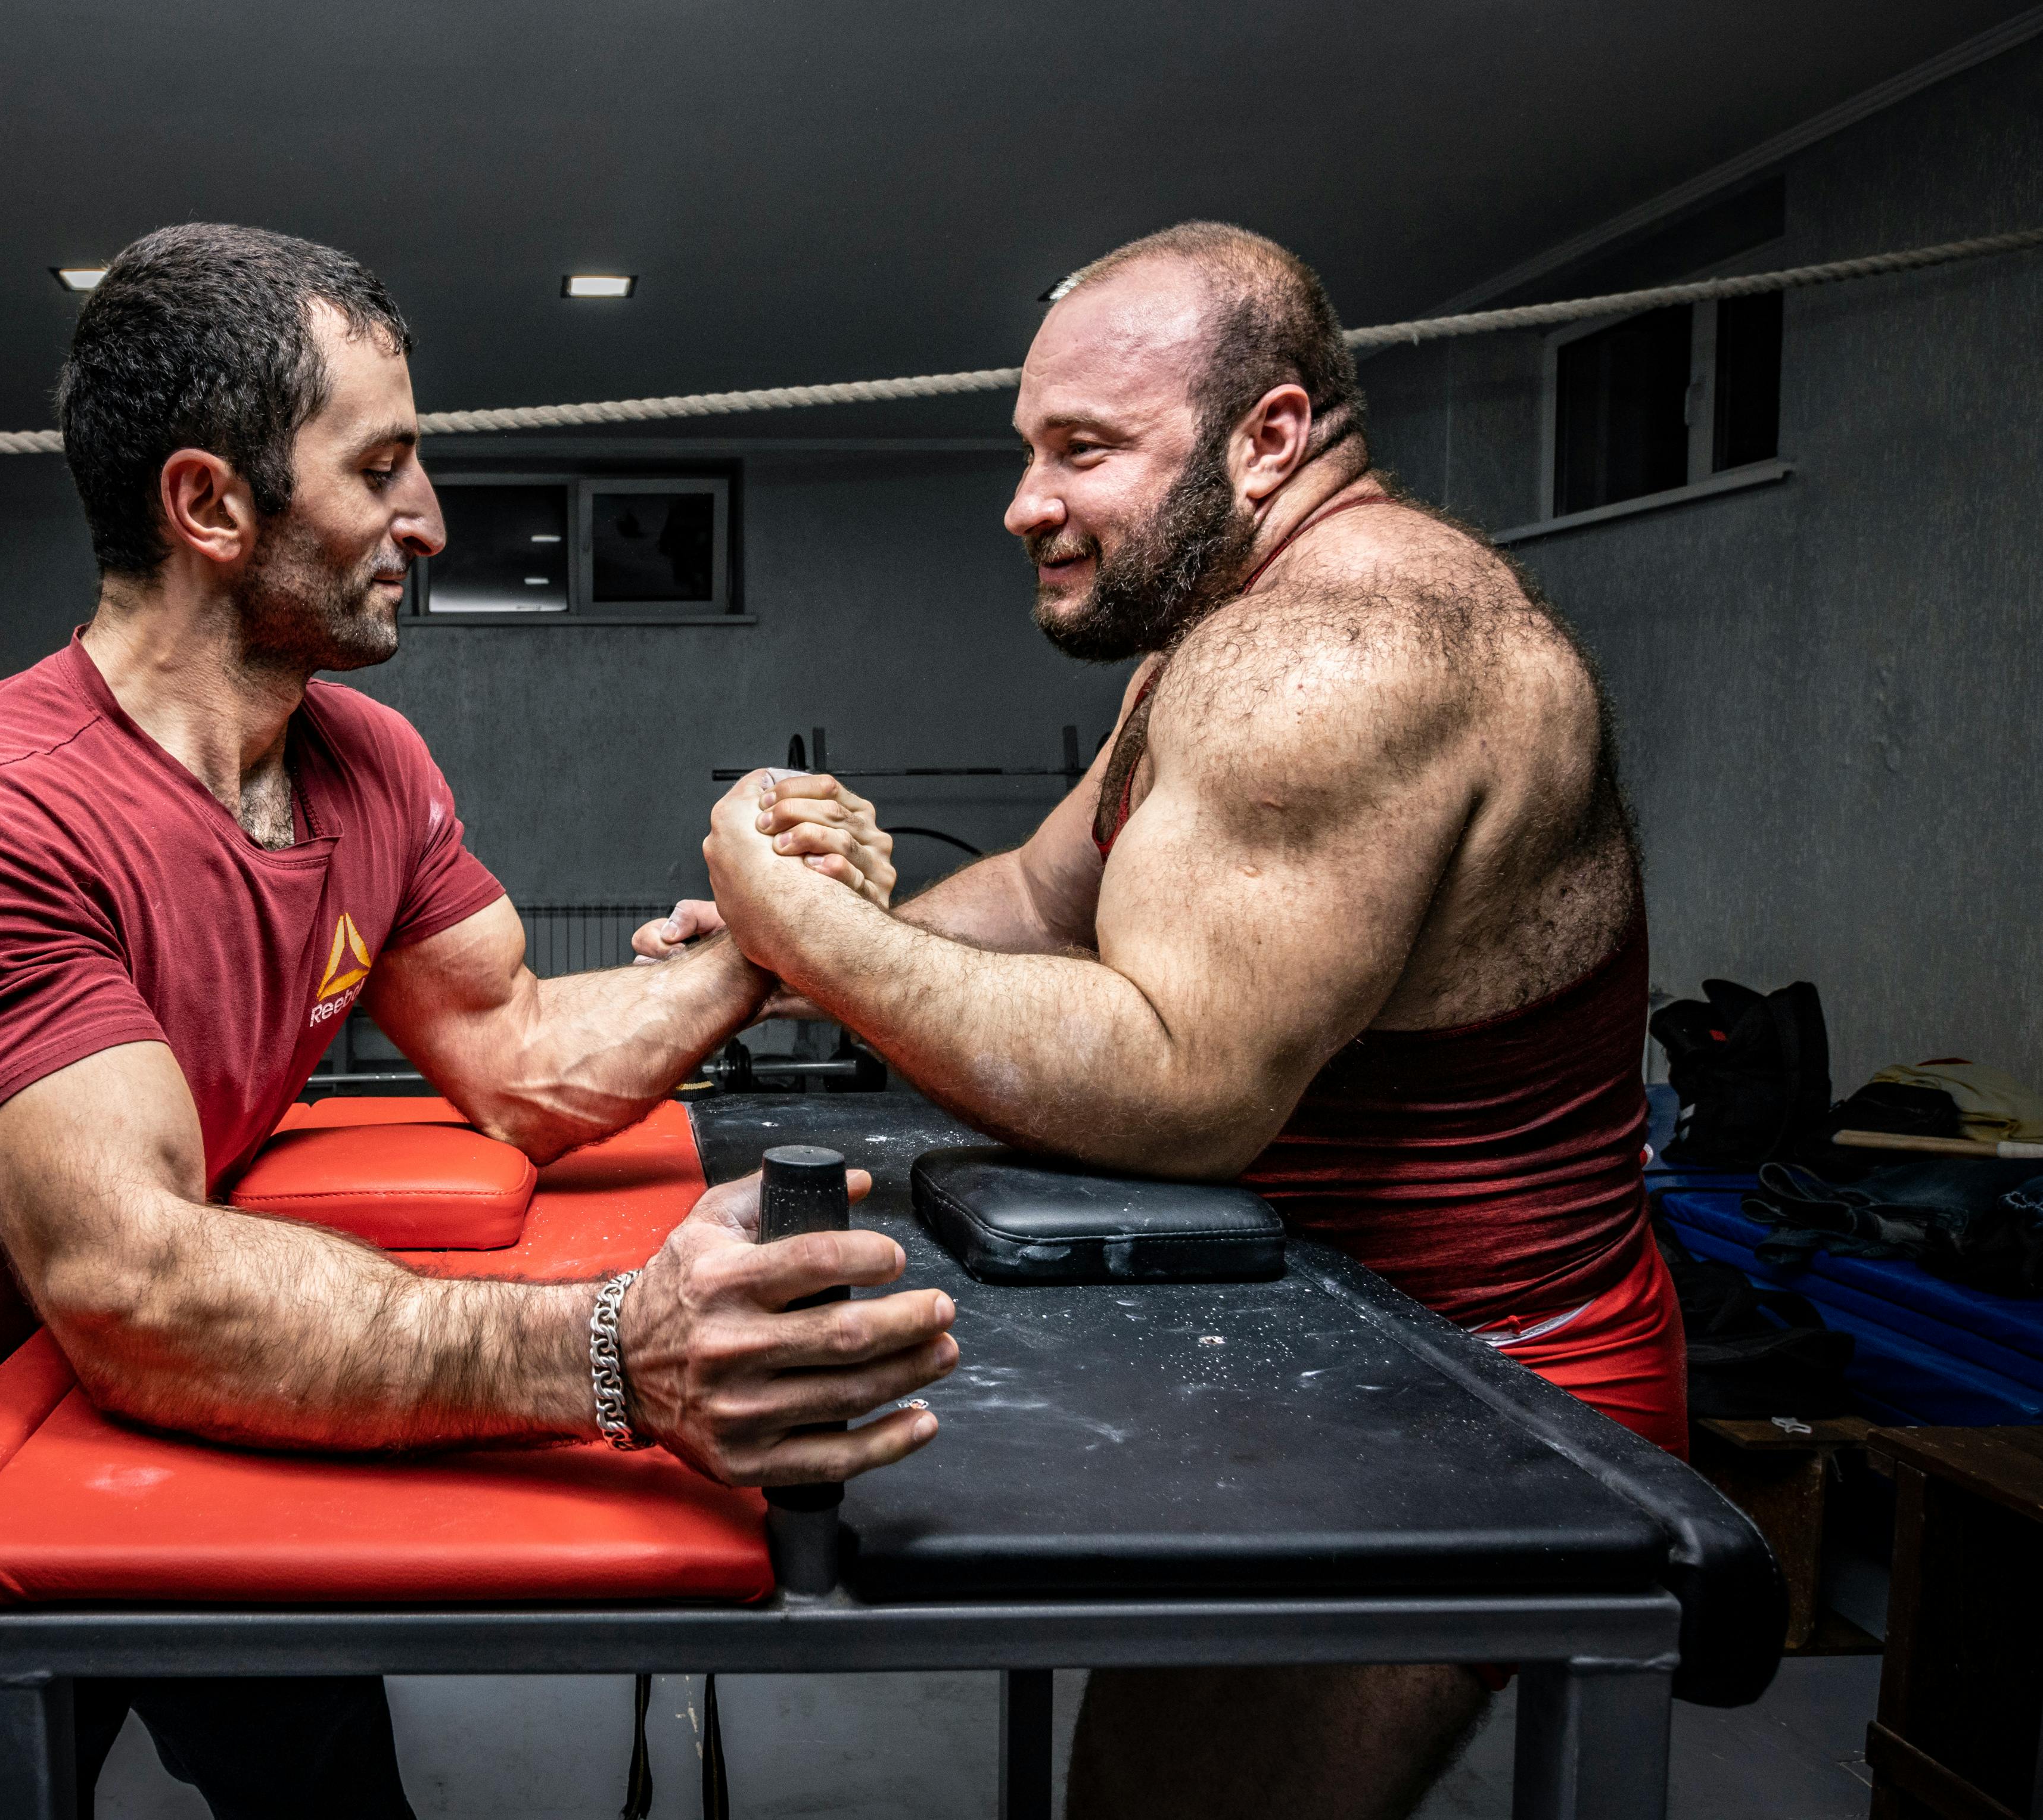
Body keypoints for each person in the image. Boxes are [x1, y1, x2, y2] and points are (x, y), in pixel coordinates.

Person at [0, 223, 958, 1820]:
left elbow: (521, 1055)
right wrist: (614, 1350)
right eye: (383, 467)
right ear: (208, 505)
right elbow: (134, 1285)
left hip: (240, 1417)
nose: (432, 521)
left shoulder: (368, 766)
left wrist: (775, 941)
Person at [638, 222, 1675, 1819]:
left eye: (1084, 449)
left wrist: (818, 943)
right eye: (1027, 447)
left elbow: (1187, 1084)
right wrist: (801, 948)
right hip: (1290, 1332)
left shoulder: (1344, 655)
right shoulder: (1217, 630)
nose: (1024, 502)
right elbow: (1052, 902)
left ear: (1269, 437)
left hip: (1465, 1395)